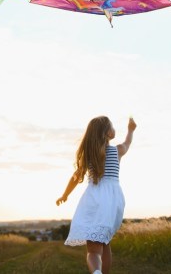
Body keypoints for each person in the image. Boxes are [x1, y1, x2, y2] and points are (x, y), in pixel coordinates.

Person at [56, 116, 136, 274]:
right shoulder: (117, 150)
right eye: (112, 126)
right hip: (114, 202)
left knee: (93, 250)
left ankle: (96, 272)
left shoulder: (89, 155)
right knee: (105, 242)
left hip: (94, 200)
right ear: (108, 133)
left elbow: (76, 177)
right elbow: (128, 143)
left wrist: (65, 195)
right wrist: (131, 130)